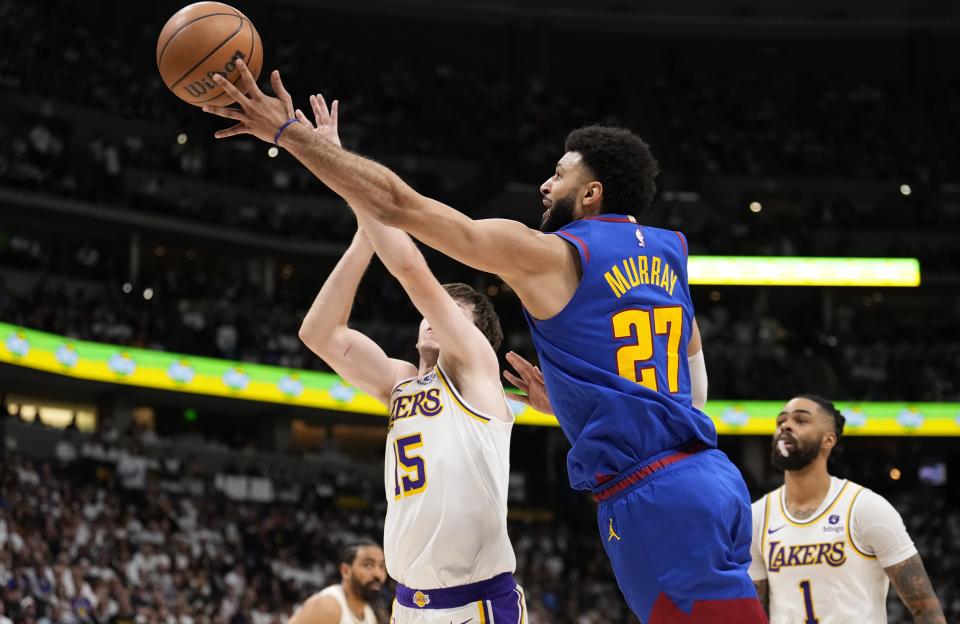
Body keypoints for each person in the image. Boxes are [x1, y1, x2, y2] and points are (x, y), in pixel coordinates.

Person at [204, 61, 762, 623]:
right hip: (708, 477)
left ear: (591, 193)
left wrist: (288, 135)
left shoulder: (551, 254)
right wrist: (593, 407)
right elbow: (691, 368)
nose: (546, 185)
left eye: (559, 175)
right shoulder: (669, 250)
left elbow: (402, 208)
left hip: (650, 496)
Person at [294, 97, 527, 623]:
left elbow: (407, 266)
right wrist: (362, 236)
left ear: (475, 334)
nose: (431, 315)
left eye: (451, 310)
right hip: (408, 606)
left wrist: (341, 170)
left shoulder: (474, 371)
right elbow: (319, 333)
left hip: (477, 602)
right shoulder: (401, 383)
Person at [749, 395, 945, 624]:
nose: (785, 425)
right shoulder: (757, 516)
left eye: (801, 420)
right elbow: (756, 614)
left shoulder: (865, 507)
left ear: (828, 440)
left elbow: (925, 608)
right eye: (781, 421)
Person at [290, 541, 386, 624]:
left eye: (382, 566)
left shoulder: (368, 613)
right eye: (368, 565)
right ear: (346, 571)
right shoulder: (328, 606)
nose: (378, 574)